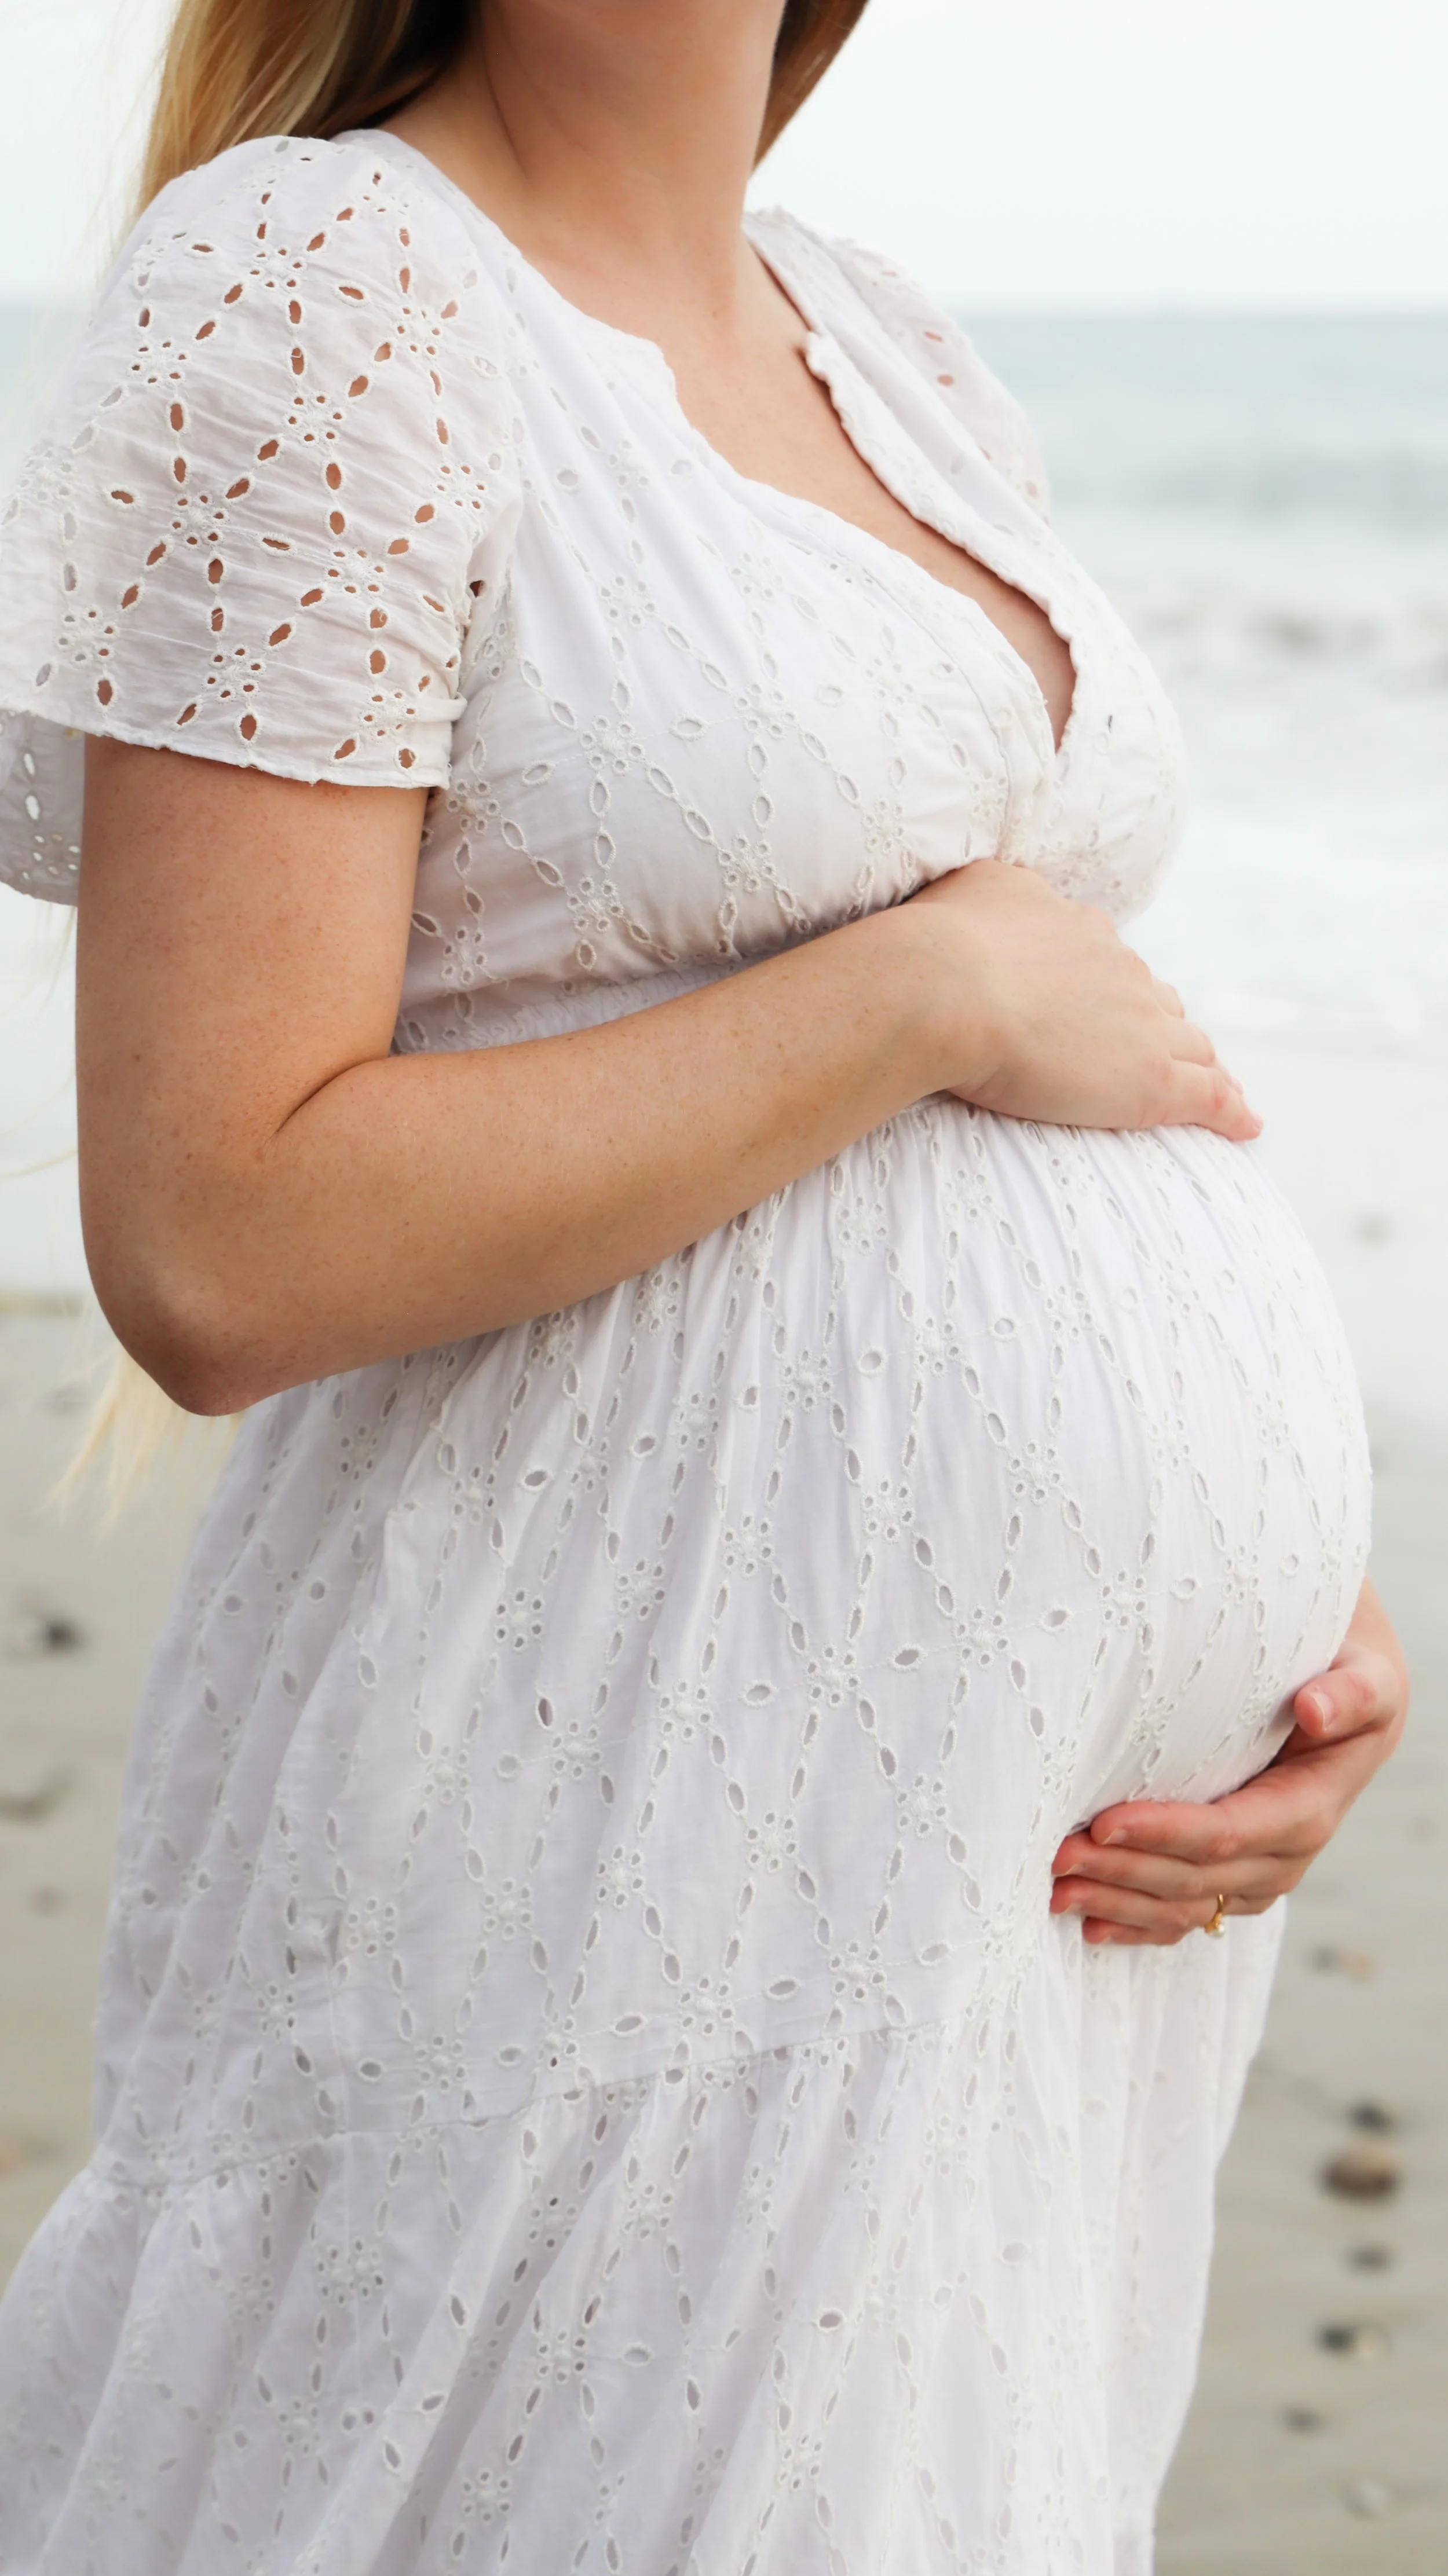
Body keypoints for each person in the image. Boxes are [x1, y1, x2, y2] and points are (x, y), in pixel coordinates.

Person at [0, 2, 1409, 2567]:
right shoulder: (319, 283)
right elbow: (214, 1233)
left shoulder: (872, 330)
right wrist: (915, 992)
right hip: (610, 1826)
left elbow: (1069, 1050)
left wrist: (1291, 1613)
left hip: (1019, 1901)